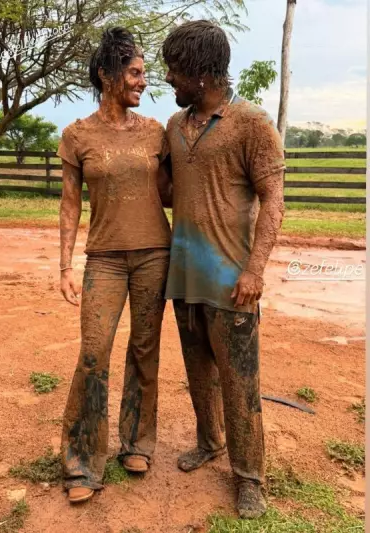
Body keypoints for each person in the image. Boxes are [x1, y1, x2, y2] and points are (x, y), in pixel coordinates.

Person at [161, 21, 285, 519]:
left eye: (175, 70)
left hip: (233, 283)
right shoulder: (175, 126)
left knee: (240, 382)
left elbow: (274, 199)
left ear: (202, 72)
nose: (168, 79)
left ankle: (248, 476)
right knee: (198, 373)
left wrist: (254, 271)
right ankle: (209, 442)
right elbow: (171, 193)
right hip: (185, 278)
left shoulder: (251, 123)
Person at [57, 27, 173, 504]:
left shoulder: (155, 132)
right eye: (135, 72)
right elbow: (69, 205)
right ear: (106, 74)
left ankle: (137, 442)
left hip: (154, 254)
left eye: (143, 74)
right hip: (103, 259)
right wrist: (64, 265)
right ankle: (81, 464)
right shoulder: (77, 135)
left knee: (144, 350)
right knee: (94, 353)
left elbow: (170, 192)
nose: (143, 82)